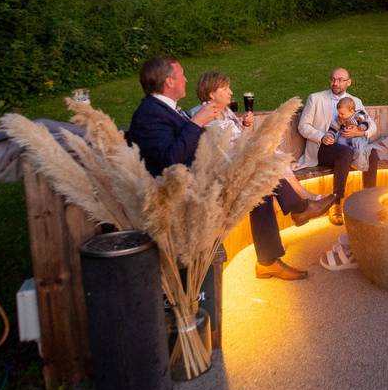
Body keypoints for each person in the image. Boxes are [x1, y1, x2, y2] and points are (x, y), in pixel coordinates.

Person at [128, 56, 332, 281]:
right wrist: (197, 122)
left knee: (258, 181)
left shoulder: (165, 109)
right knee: (258, 171)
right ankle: (297, 213)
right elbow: (169, 160)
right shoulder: (150, 114)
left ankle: (271, 257)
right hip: (186, 192)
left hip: (202, 175)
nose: (186, 79)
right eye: (182, 75)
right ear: (169, 82)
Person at [189, 70, 330, 205]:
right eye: (225, 89)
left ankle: (301, 203)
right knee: (270, 158)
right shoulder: (200, 114)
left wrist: (244, 124)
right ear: (212, 93)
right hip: (228, 166)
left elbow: (234, 136)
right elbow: (221, 146)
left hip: (242, 156)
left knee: (272, 155)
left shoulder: (225, 110)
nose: (231, 92)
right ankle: (303, 201)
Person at [297, 67, 379, 225]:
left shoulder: (355, 102)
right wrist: (322, 137)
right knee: (345, 152)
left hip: (350, 143)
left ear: (349, 82)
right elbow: (303, 126)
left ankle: (369, 199)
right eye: (333, 79)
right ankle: (336, 203)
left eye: (341, 80)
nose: (336, 83)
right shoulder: (315, 98)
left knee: (372, 153)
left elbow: (371, 125)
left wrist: (359, 132)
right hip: (322, 148)